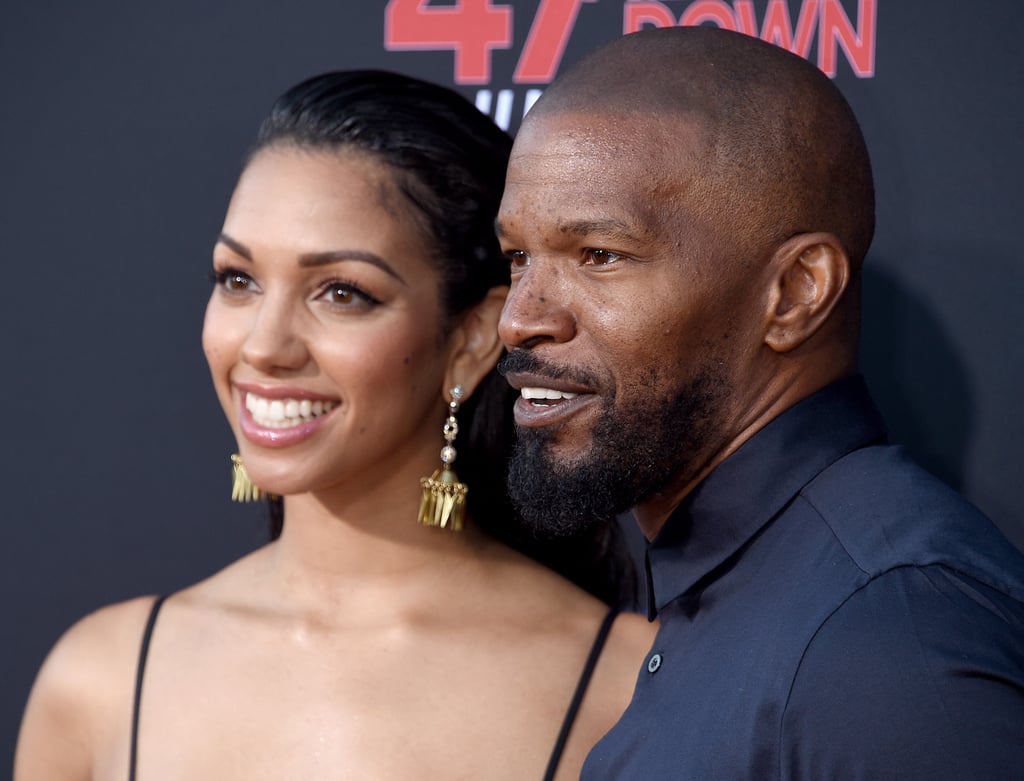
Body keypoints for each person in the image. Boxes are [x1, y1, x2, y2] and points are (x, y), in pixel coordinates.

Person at [15, 70, 656, 781]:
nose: (262, 345)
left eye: (341, 292)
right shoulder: (99, 684)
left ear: (473, 338)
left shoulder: (624, 690)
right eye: (238, 279)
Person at [496, 26, 1024, 780]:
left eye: (599, 256)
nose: (521, 317)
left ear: (795, 293)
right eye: (519, 257)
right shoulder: (763, 589)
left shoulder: (893, 643)